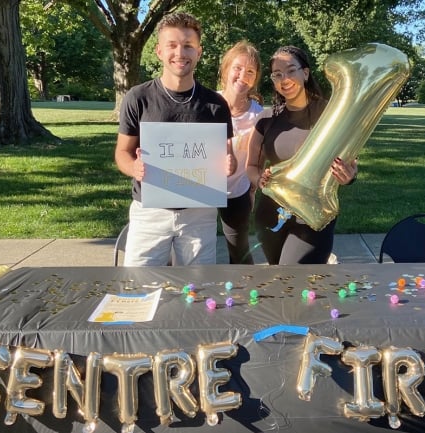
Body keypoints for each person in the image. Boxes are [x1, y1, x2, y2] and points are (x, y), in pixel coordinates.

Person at [115, 12, 235, 267]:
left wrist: (228, 165)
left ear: (199, 52)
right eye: (172, 45)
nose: (180, 53)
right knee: (138, 285)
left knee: (197, 289)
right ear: (159, 51)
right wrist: (133, 168)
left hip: (199, 213)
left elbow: (228, 156)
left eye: (188, 46)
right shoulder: (138, 98)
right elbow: (122, 153)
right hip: (150, 211)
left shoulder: (216, 104)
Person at [246, 46, 358, 265]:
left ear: (305, 73)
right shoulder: (266, 119)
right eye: (277, 74)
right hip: (271, 214)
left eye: (290, 70)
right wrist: (258, 179)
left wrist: (350, 175)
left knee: (295, 276)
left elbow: (351, 162)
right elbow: (251, 166)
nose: (284, 79)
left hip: (313, 215)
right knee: (281, 282)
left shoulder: (330, 114)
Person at [217, 41, 264, 264]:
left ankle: (243, 294)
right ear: (225, 69)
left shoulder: (259, 116)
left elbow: (260, 160)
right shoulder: (207, 103)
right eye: (237, 68)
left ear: (255, 79)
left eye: (250, 71)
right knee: (191, 252)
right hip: (201, 192)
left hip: (238, 193)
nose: (242, 75)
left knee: (240, 253)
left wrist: (252, 190)